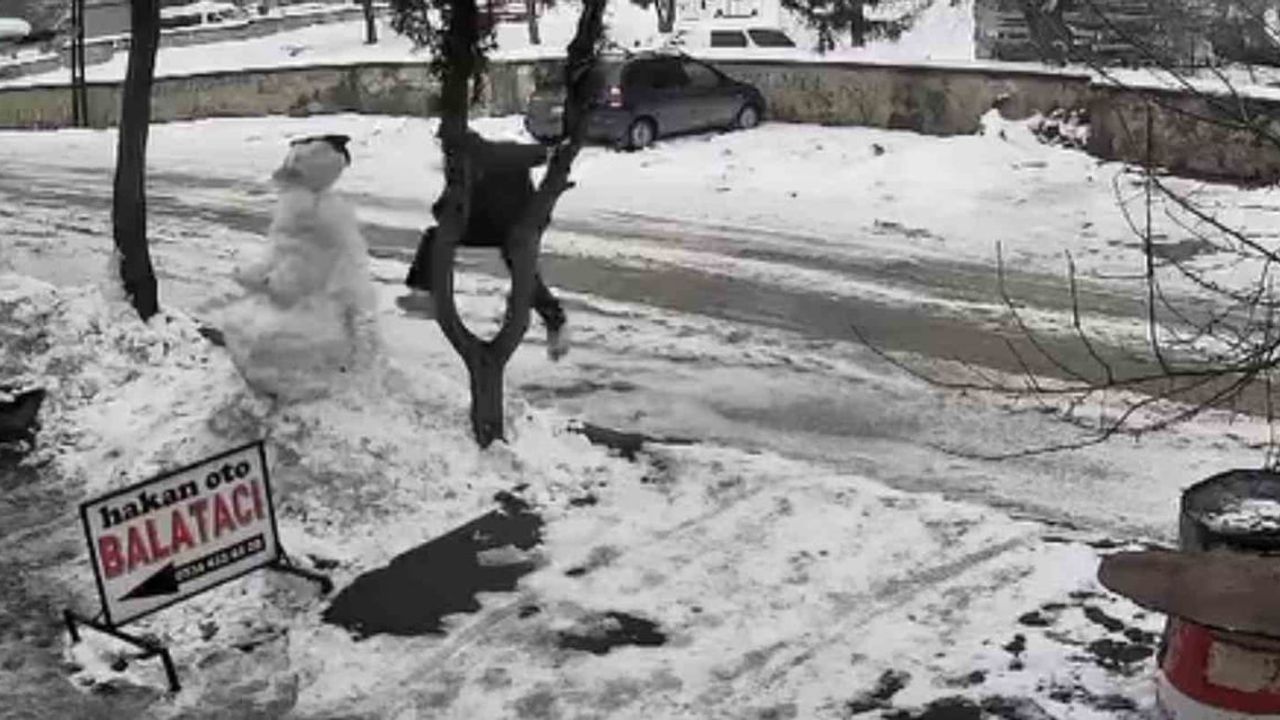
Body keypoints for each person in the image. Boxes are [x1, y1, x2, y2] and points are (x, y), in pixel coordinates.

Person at [403, 131, 570, 361]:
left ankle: (554, 318)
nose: (444, 156)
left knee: (521, 270)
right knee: (438, 236)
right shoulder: (464, 163)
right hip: (492, 223)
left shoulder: (490, 154)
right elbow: (449, 202)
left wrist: (549, 153)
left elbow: (527, 154)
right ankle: (425, 292)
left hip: (514, 224)